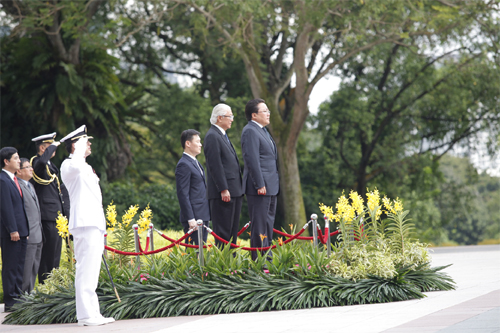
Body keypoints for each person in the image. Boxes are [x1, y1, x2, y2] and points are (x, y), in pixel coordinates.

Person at [60, 125, 114, 326]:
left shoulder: (84, 166)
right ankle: (84, 315)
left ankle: (93, 313)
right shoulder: (69, 164)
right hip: (84, 223)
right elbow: (75, 165)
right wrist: (79, 147)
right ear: (76, 145)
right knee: (85, 269)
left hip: (93, 222)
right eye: (86, 141)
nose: (89, 144)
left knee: (93, 270)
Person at [241, 99, 280, 260]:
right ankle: (259, 261)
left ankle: (268, 258)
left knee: (268, 224)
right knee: (259, 225)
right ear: (254, 115)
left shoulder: (263, 130)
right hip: (260, 187)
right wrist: (259, 183)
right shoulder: (250, 131)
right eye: (264, 111)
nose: (268, 113)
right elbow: (252, 159)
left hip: (271, 185)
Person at [30, 132, 69, 284]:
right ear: (42, 148)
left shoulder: (49, 165)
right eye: (50, 147)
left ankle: (53, 285)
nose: (53, 151)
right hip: (47, 215)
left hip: (55, 215)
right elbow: (40, 165)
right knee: (47, 254)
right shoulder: (38, 162)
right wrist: (52, 146)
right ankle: (46, 285)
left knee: (55, 254)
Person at [204, 104, 244, 248]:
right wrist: (223, 189)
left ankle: (231, 266)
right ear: (220, 118)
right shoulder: (212, 136)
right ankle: (224, 267)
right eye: (230, 116)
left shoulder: (222, 135)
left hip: (234, 191)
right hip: (223, 193)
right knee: (223, 233)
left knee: (232, 232)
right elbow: (215, 165)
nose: (232, 119)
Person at [0, 147, 29, 312]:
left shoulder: (13, 179)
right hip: (12, 232)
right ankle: (10, 300)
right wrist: (12, 229)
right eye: (16, 158)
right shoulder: (3, 180)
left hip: (21, 230)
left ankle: (18, 297)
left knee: (19, 265)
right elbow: (5, 207)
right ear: (6, 161)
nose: (19, 161)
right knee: (11, 265)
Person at [175, 129, 211, 245]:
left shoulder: (195, 162)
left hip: (202, 214)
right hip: (194, 218)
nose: (201, 144)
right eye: (198, 141)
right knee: (193, 253)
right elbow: (182, 194)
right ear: (188, 144)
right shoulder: (183, 164)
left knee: (200, 251)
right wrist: (190, 219)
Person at [16, 158, 43, 294]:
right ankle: (21, 298)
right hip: (28, 235)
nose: (31, 169)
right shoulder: (18, 186)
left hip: (37, 234)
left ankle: (29, 295)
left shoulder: (30, 185)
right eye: (28, 167)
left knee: (33, 268)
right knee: (25, 270)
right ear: (19, 171)